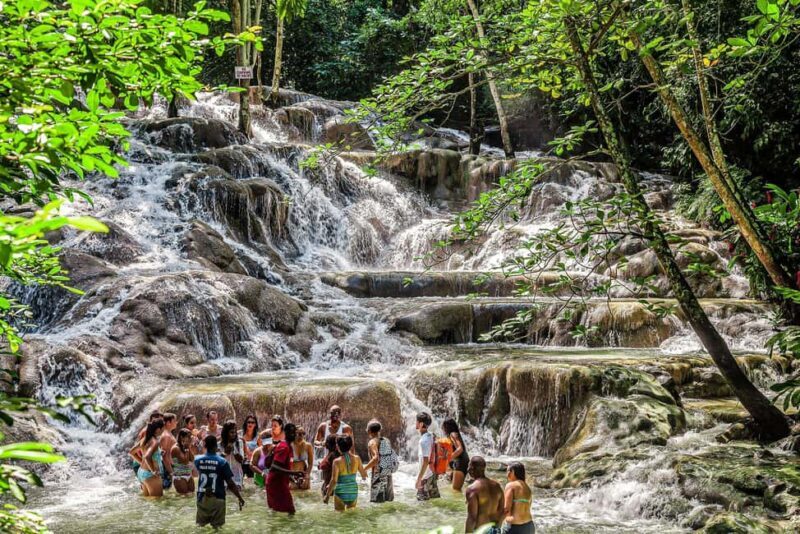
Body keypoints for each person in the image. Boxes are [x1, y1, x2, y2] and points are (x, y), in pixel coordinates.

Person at [194, 435, 245, 529]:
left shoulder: (198, 460)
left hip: (202, 498)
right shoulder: (222, 462)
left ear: (205, 445)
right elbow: (230, 483)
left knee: (200, 527)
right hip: (218, 498)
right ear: (216, 447)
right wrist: (239, 497)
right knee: (217, 529)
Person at [266, 422, 303, 515]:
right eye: (291, 432)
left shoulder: (288, 447)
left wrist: (292, 479)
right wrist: (294, 473)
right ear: (285, 432)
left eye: (294, 432)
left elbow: (283, 467)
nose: (293, 435)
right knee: (291, 510)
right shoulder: (284, 447)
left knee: (277, 511)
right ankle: (288, 529)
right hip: (276, 484)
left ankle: (276, 528)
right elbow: (274, 467)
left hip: (279, 482)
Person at [324, 434, 367, 511]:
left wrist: (327, 496)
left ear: (337, 447)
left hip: (340, 492)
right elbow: (364, 475)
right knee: (351, 515)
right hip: (353, 491)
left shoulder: (336, 461)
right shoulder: (357, 458)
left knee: (339, 515)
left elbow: (334, 480)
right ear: (351, 445)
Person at [465, 456, 504, 533]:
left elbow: (472, 518)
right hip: (494, 529)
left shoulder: (472, 489)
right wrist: (497, 528)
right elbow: (502, 511)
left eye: (468, 466)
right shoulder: (497, 486)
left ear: (471, 469)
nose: (467, 469)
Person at [129, 419, 165, 497]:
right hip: (150, 474)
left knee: (149, 501)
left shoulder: (144, 439)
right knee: (158, 502)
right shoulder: (154, 442)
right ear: (158, 429)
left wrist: (142, 462)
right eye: (163, 428)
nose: (164, 430)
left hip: (142, 472)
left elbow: (131, 452)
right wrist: (154, 471)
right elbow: (147, 456)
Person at [364, 419, 395, 503]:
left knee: (376, 503)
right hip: (388, 475)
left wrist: (363, 470)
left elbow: (375, 459)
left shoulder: (372, 442)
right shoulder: (386, 440)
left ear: (369, 431)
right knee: (388, 502)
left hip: (378, 476)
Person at [502, 463, 534, 534]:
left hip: (515, 527)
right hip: (529, 526)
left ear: (512, 471)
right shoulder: (527, 488)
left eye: (507, 471)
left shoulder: (510, 485)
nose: (507, 475)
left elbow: (506, 509)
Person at [415, 411, 439, 501]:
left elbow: (425, 462)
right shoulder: (432, 436)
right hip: (432, 475)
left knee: (421, 507)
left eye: (416, 421)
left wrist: (419, 479)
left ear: (421, 424)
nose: (415, 423)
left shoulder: (423, 441)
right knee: (432, 505)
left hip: (425, 478)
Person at [443, 418, 470, 492]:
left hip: (460, 462)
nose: (443, 429)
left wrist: (448, 458)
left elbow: (460, 449)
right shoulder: (455, 434)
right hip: (461, 461)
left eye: (444, 427)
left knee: (456, 490)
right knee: (455, 488)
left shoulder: (453, 434)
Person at [221, 420, 245, 489]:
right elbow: (217, 462)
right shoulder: (220, 444)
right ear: (226, 433)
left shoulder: (239, 443)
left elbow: (241, 460)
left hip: (237, 479)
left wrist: (234, 450)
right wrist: (225, 453)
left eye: (235, 432)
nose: (234, 434)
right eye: (232, 432)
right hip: (224, 479)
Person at [171, 429, 196, 496]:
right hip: (179, 476)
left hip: (189, 474)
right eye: (188, 437)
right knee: (183, 497)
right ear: (182, 437)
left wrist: (188, 447)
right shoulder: (175, 448)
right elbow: (184, 461)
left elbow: (192, 459)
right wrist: (187, 448)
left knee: (191, 496)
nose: (190, 438)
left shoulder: (185, 447)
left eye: (191, 436)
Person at [290, 426, 313, 490]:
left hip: (304, 473)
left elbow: (310, 463)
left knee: (306, 489)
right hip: (291, 473)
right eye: (299, 434)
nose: (302, 436)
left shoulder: (308, 446)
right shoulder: (289, 445)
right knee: (293, 490)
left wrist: (307, 475)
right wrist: (291, 477)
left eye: (303, 433)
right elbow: (286, 464)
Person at [160, 413, 178, 490]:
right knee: (166, 490)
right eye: (174, 421)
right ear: (168, 423)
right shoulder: (166, 436)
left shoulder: (169, 434)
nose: (176, 422)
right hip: (167, 468)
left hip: (170, 466)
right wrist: (171, 473)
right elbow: (164, 456)